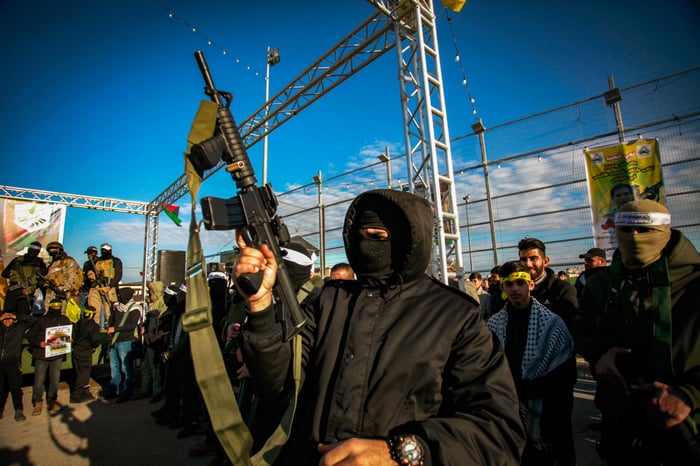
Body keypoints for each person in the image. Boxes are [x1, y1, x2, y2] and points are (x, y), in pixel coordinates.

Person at [234, 188, 525, 465]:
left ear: (409, 241)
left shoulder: (455, 315)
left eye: (377, 236)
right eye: (359, 235)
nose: (365, 244)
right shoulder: (329, 302)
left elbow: (498, 431)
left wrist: (405, 452)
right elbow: (278, 383)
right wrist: (260, 307)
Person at [576, 200, 700, 465]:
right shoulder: (601, 286)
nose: (634, 238)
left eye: (645, 231)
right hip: (623, 423)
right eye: (626, 230)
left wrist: (690, 394)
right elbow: (583, 331)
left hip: (690, 424)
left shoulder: (693, 283)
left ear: (666, 232)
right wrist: (599, 355)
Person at [487, 260, 577, 465]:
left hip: (548, 408)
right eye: (510, 284)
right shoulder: (493, 324)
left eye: (520, 282)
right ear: (502, 288)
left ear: (531, 285)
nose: (515, 288)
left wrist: (530, 389)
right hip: (508, 407)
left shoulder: (552, 324)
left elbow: (565, 372)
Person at [517, 237, 578, 333]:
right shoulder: (513, 290)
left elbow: (569, 326)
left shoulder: (563, 290)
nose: (528, 264)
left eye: (533, 258)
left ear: (545, 261)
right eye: (523, 260)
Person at [26, 299, 73, 416]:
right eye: (55, 307)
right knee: (39, 380)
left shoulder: (64, 320)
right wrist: (39, 343)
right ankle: (37, 401)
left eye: (59, 307)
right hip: (42, 355)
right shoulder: (41, 320)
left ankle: (52, 400)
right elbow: (30, 335)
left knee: (55, 379)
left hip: (57, 354)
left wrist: (69, 340)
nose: (57, 309)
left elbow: (69, 334)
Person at [104, 287, 142, 402]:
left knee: (126, 368)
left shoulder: (135, 309)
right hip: (114, 341)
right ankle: (113, 388)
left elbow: (131, 325)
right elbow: (111, 320)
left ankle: (127, 390)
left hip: (126, 341)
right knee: (114, 367)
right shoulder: (117, 307)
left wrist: (115, 329)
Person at [135, 280, 167, 402]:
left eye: (151, 292)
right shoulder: (152, 304)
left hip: (155, 341)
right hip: (148, 340)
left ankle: (156, 391)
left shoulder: (162, 305)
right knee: (146, 366)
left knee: (155, 368)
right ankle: (145, 389)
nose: (149, 294)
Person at [0, 311, 34, 421]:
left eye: (10, 319)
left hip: (12, 362)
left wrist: (16, 316)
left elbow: (34, 320)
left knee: (15, 388)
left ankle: (18, 410)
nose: (7, 321)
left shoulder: (18, 329)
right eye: (5, 319)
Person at [1, 241, 48, 316]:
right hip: (20, 291)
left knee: (16, 317)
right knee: (15, 316)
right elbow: (5, 274)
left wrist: (29, 288)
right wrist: (16, 278)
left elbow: (5, 274)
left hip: (23, 292)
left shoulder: (19, 260)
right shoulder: (39, 263)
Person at [69, 305, 101, 403]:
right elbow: (95, 340)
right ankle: (77, 393)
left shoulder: (77, 323)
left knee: (79, 372)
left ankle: (84, 392)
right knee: (84, 373)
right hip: (86, 351)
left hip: (76, 350)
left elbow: (73, 337)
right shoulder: (94, 326)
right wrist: (94, 346)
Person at [87, 243, 123, 328]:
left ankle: (109, 330)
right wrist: (90, 274)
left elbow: (118, 275)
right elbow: (88, 271)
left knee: (109, 312)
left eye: (106, 250)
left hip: (109, 288)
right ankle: (94, 329)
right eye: (102, 250)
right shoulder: (96, 261)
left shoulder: (115, 261)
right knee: (93, 310)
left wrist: (109, 286)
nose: (103, 252)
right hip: (96, 287)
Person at [43, 241, 83, 314]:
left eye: (54, 250)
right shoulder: (51, 264)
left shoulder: (68, 261)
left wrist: (64, 290)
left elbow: (72, 277)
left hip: (62, 291)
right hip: (50, 292)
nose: (52, 253)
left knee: (61, 313)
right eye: (50, 251)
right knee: (48, 313)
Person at [79, 245, 99, 310]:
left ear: (95, 253)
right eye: (88, 253)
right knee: (83, 306)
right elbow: (84, 275)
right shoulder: (86, 263)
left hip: (96, 288)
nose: (89, 255)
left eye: (90, 253)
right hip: (86, 288)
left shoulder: (100, 262)